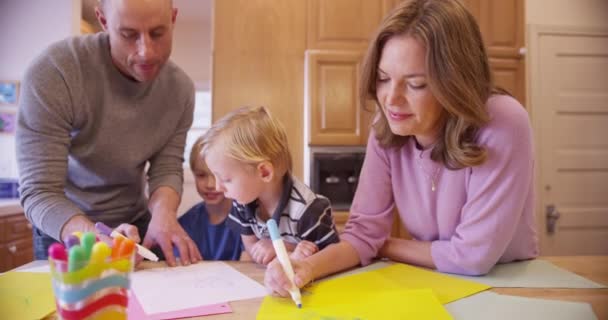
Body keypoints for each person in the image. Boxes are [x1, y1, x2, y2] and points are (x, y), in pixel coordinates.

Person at [265, 0, 539, 296]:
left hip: (508, 286)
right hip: (434, 281)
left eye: (416, 84)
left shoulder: (502, 121)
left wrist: (382, 244)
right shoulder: (386, 130)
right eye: (383, 79)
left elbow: (473, 256)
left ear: (456, 81)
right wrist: (307, 268)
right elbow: (361, 234)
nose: (391, 99)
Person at [16, 0, 202, 266]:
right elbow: (40, 191)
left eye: (157, 33)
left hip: (136, 224)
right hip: (64, 225)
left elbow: (167, 169)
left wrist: (164, 215)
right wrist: (93, 235)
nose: (145, 52)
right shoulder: (55, 73)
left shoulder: (180, 90)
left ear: (173, 19)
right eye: (128, 35)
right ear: (103, 22)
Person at [202, 106, 340, 265]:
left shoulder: (308, 210)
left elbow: (333, 258)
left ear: (265, 172)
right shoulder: (243, 203)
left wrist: (286, 247)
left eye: (225, 179)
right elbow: (254, 251)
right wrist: (279, 251)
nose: (218, 187)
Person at [176, 136, 246, 261]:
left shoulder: (246, 218)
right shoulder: (186, 224)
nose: (210, 184)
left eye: (216, 175)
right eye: (201, 175)